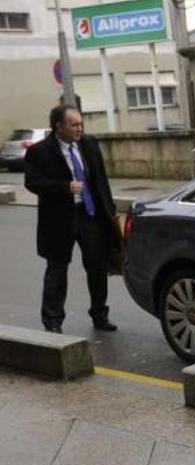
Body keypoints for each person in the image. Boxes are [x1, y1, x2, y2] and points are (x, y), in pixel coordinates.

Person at [25, 104, 118, 333]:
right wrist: (63, 188)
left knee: (97, 267)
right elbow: (32, 183)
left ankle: (99, 314)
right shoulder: (40, 151)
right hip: (59, 219)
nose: (79, 129)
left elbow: (101, 180)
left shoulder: (89, 144)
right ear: (59, 126)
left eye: (81, 124)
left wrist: (110, 209)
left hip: (90, 215)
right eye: (74, 125)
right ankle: (53, 322)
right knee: (57, 270)